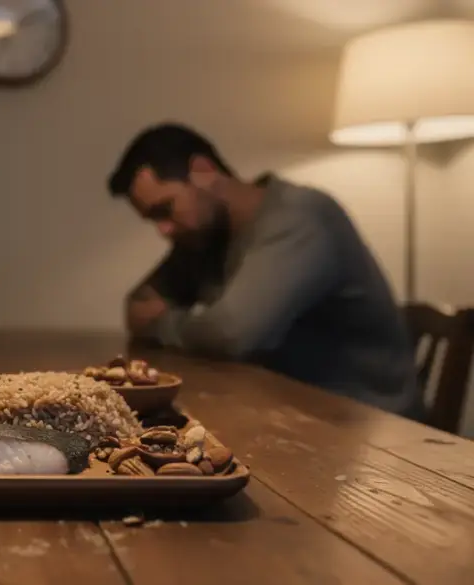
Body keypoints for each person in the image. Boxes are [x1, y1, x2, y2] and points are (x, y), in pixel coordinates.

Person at [107, 122, 423, 420]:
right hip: (289, 413)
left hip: (371, 428)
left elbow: (232, 334)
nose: (163, 230)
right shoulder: (208, 237)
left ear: (203, 171)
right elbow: (138, 303)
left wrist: (163, 322)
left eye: (165, 209)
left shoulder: (300, 217)